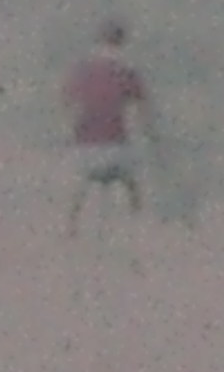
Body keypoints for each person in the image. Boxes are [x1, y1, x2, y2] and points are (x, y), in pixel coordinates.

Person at [63, 20, 159, 231]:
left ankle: (70, 225)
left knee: (78, 184)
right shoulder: (128, 73)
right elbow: (144, 113)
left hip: (85, 150)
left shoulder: (81, 71)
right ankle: (139, 223)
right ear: (122, 43)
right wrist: (152, 138)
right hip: (116, 150)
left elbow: (67, 107)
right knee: (133, 183)